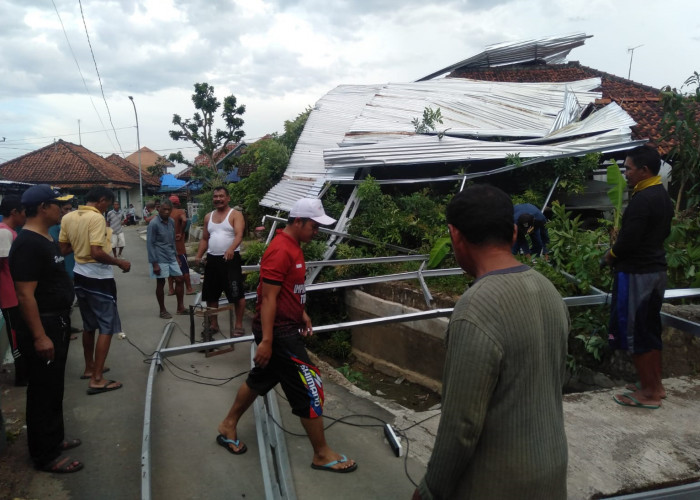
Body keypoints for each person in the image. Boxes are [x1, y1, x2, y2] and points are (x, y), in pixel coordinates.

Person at [413, 185, 570, 500]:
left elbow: (461, 426)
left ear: (455, 235)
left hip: (497, 483)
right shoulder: (549, 291)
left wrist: (430, 490)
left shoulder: (475, 308)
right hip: (552, 474)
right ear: (514, 233)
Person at [216, 198, 356, 473]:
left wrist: (300, 312)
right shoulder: (280, 250)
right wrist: (267, 341)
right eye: (314, 226)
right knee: (308, 387)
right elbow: (267, 299)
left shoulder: (294, 246)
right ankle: (321, 454)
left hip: (285, 326)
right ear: (298, 221)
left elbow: (287, 291)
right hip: (279, 332)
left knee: (262, 378)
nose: (317, 231)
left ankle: (227, 425)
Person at [9, 185, 83, 473]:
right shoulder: (28, 242)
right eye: (58, 205)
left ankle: (54, 439)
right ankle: (45, 455)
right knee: (42, 391)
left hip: (57, 321)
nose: (62, 210)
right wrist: (40, 336)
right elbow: (25, 294)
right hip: (43, 324)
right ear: (43, 207)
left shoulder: (45, 238)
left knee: (54, 388)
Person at [604, 145, 674, 409]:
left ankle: (648, 394)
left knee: (636, 332)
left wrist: (610, 255)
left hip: (638, 274)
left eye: (629, 168)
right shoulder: (661, 196)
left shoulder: (644, 200)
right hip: (655, 271)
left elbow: (627, 243)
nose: (626, 174)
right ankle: (655, 384)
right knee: (650, 328)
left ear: (644, 170)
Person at [59, 186, 130, 394]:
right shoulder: (97, 218)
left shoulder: (69, 217)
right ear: (101, 200)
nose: (107, 207)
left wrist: (80, 242)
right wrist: (119, 262)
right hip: (98, 277)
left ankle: (90, 368)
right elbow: (97, 252)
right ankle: (98, 379)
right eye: (107, 203)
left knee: (89, 325)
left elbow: (63, 249)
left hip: (79, 276)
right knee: (107, 327)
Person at [194, 187, 246, 337]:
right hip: (212, 260)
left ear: (228, 198)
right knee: (211, 295)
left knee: (237, 294)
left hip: (230, 260)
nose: (218, 199)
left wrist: (231, 248)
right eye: (215, 196)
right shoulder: (208, 216)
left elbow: (239, 235)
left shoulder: (235, 215)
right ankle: (213, 324)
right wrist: (198, 255)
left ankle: (238, 324)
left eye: (221, 196)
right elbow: (205, 238)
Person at [0, 195, 28, 386]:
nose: (25, 216)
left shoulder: (10, 231)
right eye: (23, 212)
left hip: (15, 294)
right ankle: (21, 376)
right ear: (14, 213)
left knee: (20, 334)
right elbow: (5, 263)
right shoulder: (4, 232)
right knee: (15, 337)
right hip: (9, 296)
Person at [147, 199, 186, 318]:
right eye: (164, 209)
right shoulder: (153, 224)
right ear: (159, 209)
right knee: (161, 283)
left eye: (169, 210)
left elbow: (172, 240)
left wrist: (176, 256)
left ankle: (180, 307)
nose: (166, 212)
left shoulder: (171, 222)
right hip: (159, 258)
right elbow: (150, 244)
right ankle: (162, 310)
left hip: (171, 256)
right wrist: (154, 263)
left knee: (180, 279)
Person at [167, 194, 195, 296]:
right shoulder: (180, 212)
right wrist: (182, 232)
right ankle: (189, 288)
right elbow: (185, 220)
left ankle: (171, 289)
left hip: (168, 245)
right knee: (184, 267)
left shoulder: (166, 213)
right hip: (179, 245)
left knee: (170, 268)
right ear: (177, 203)